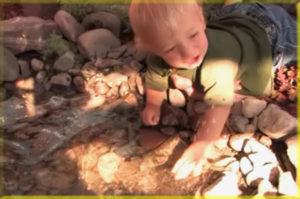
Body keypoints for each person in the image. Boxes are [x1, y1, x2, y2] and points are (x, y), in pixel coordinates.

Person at [129, 0, 297, 180]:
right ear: (153, 49)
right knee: (226, 18)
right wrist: (153, 104)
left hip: (272, 36)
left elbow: (221, 106)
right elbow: (155, 75)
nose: (189, 52)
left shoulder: (217, 67)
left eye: (193, 35)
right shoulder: (170, 48)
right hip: (234, 17)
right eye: (171, 48)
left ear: (201, 20)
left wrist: (201, 145)